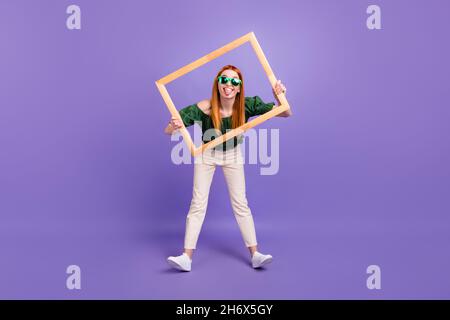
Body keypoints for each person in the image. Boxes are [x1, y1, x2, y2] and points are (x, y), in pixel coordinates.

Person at [164, 65, 291, 271]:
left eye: (234, 81)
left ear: (239, 87)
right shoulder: (204, 107)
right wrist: (174, 125)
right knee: (198, 203)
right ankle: (186, 257)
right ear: (218, 84)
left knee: (241, 203)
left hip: (233, 155)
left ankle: (255, 254)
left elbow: (286, 113)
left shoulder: (247, 105)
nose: (229, 84)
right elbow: (168, 130)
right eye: (224, 80)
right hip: (207, 155)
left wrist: (279, 96)